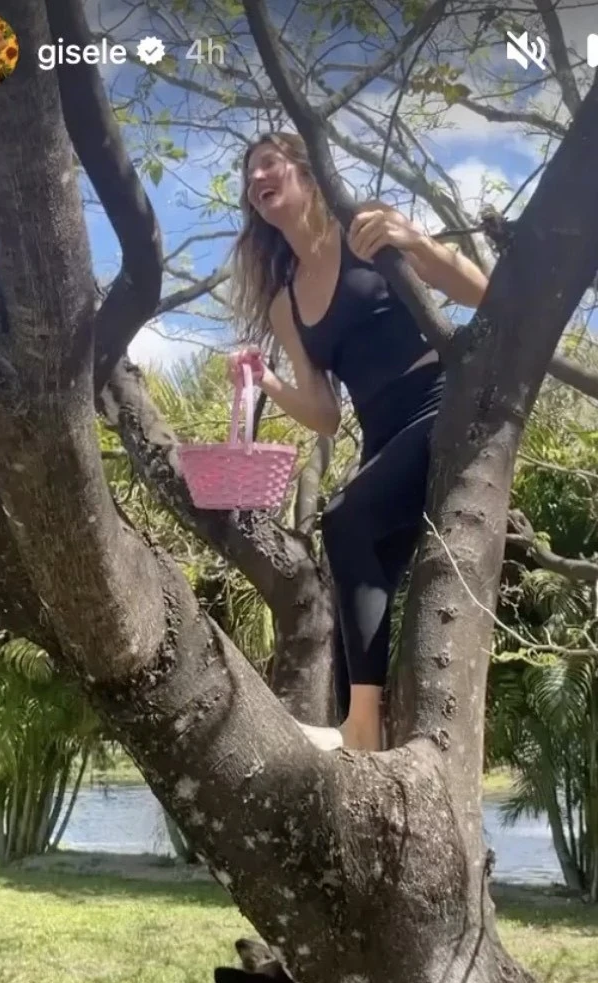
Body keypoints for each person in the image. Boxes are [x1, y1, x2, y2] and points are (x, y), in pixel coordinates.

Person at [229, 131, 487, 752]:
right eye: (249, 174)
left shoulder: (365, 229)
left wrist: (415, 240)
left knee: (342, 520)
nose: (257, 178)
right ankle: (371, 742)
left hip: (438, 405)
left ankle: (363, 727)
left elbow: (480, 290)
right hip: (380, 437)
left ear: (306, 171)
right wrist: (268, 381)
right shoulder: (286, 305)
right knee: (357, 593)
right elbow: (323, 415)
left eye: (268, 163)